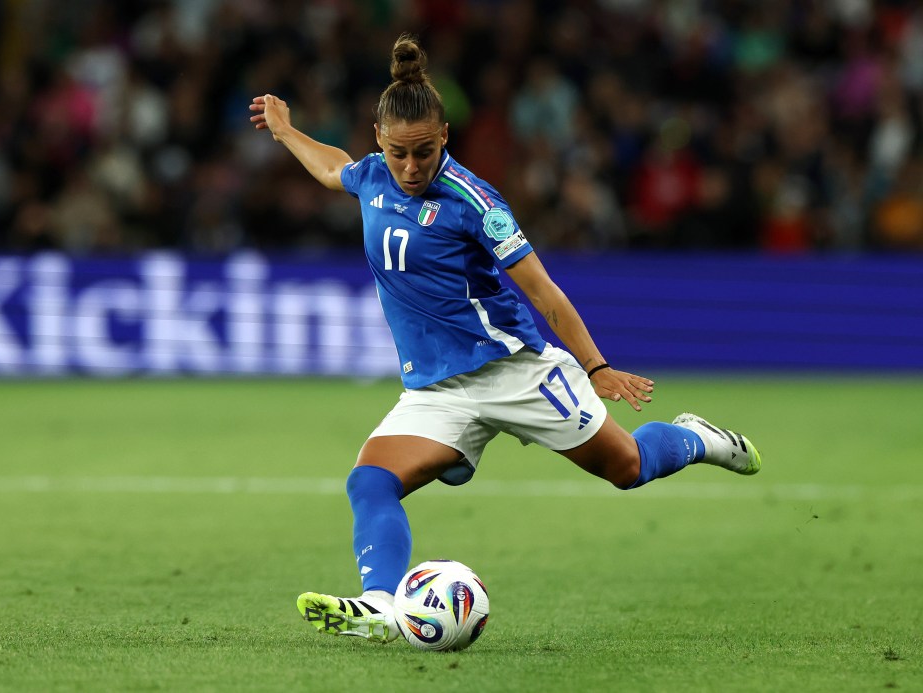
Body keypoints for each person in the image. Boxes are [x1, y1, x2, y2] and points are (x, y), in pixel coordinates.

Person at [249, 35, 761, 644]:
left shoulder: (476, 204)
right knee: (369, 481)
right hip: (438, 388)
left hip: (513, 371)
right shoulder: (372, 178)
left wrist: (596, 368)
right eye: (396, 153)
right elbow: (333, 166)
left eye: (423, 152)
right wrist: (283, 129)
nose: (410, 168)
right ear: (379, 141)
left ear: (445, 138)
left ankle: (695, 438)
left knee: (628, 468)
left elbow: (544, 293)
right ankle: (381, 605)